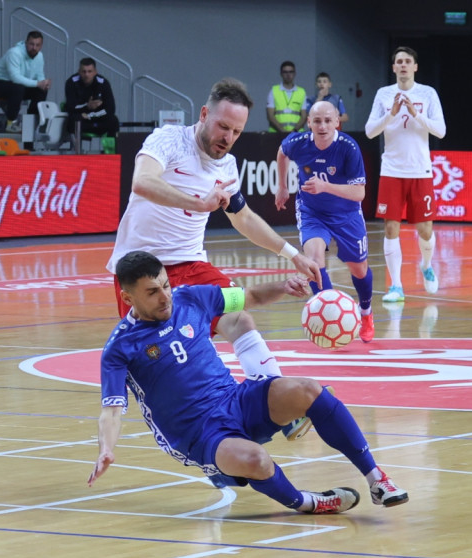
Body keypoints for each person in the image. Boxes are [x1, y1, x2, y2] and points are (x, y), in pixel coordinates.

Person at [89, 251, 409, 514]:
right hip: (198, 434)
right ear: (127, 297)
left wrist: (284, 286)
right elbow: (112, 411)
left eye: (165, 285)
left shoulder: (190, 298)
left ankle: (377, 478)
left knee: (309, 389)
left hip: (235, 399)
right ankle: (308, 502)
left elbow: (250, 296)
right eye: (152, 292)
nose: (164, 297)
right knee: (256, 460)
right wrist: (106, 448)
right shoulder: (120, 348)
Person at [108, 77, 322, 441]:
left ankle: (279, 403)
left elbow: (244, 218)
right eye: (223, 126)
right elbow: (142, 182)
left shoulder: (227, 167)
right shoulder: (169, 139)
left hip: (192, 264)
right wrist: (199, 203)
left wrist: (291, 253)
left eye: (237, 131)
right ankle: (208, 440)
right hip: (143, 271)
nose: (228, 137)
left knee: (239, 318)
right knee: (181, 363)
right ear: (205, 114)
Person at [275, 101, 375, 342]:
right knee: (315, 261)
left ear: (337, 122)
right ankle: (329, 311)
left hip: (347, 214)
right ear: (308, 122)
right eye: (317, 121)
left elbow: (359, 193)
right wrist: (282, 187)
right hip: (312, 212)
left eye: (328, 121)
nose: (322, 126)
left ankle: (366, 313)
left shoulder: (348, 147)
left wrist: (325, 186)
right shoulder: (298, 143)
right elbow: (282, 153)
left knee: (359, 269)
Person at [365, 46, 446, 303]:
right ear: (393, 68)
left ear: (415, 67)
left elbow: (440, 131)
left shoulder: (428, 93)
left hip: (420, 170)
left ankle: (426, 265)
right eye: (398, 61)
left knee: (425, 229)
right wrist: (391, 114)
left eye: (407, 61)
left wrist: (416, 113)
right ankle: (396, 286)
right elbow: (369, 131)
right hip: (391, 170)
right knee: (391, 228)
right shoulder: (384, 94)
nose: (402, 65)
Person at [0, 30, 50, 133]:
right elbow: (15, 78)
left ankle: (32, 122)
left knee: (41, 90)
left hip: (16, 86)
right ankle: (11, 123)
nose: (34, 48)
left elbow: (39, 75)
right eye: (31, 44)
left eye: (37, 45)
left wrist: (43, 83)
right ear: (26, 43)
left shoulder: (39, 56)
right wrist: (37, 83)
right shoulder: (14, 53)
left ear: (41, 46)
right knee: (18, 87)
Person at [64, 57, 119, 138]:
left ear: (95, 72)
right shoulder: (71, 82)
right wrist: (87, 106)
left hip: (98, 118)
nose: (86, 75)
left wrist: (91, 115)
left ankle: (110, 150)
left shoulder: (103, 83)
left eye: (90, 71)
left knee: (113, 120)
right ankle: (77, 149)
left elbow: (111, 109)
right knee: (73, 120)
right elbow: (70, 107)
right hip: (81, 119)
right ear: (79, 72)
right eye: (84, 71)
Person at [266, 60, 306, 133]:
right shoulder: (274, 90)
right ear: (281, 74)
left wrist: (294, 131)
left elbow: (304, 116)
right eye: (285, 72)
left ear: (295, 73)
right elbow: (270, 116)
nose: (288, 75)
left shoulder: (301, 92)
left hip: (296, 133)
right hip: (276, 134)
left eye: (291, 72)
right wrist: (282, 131)